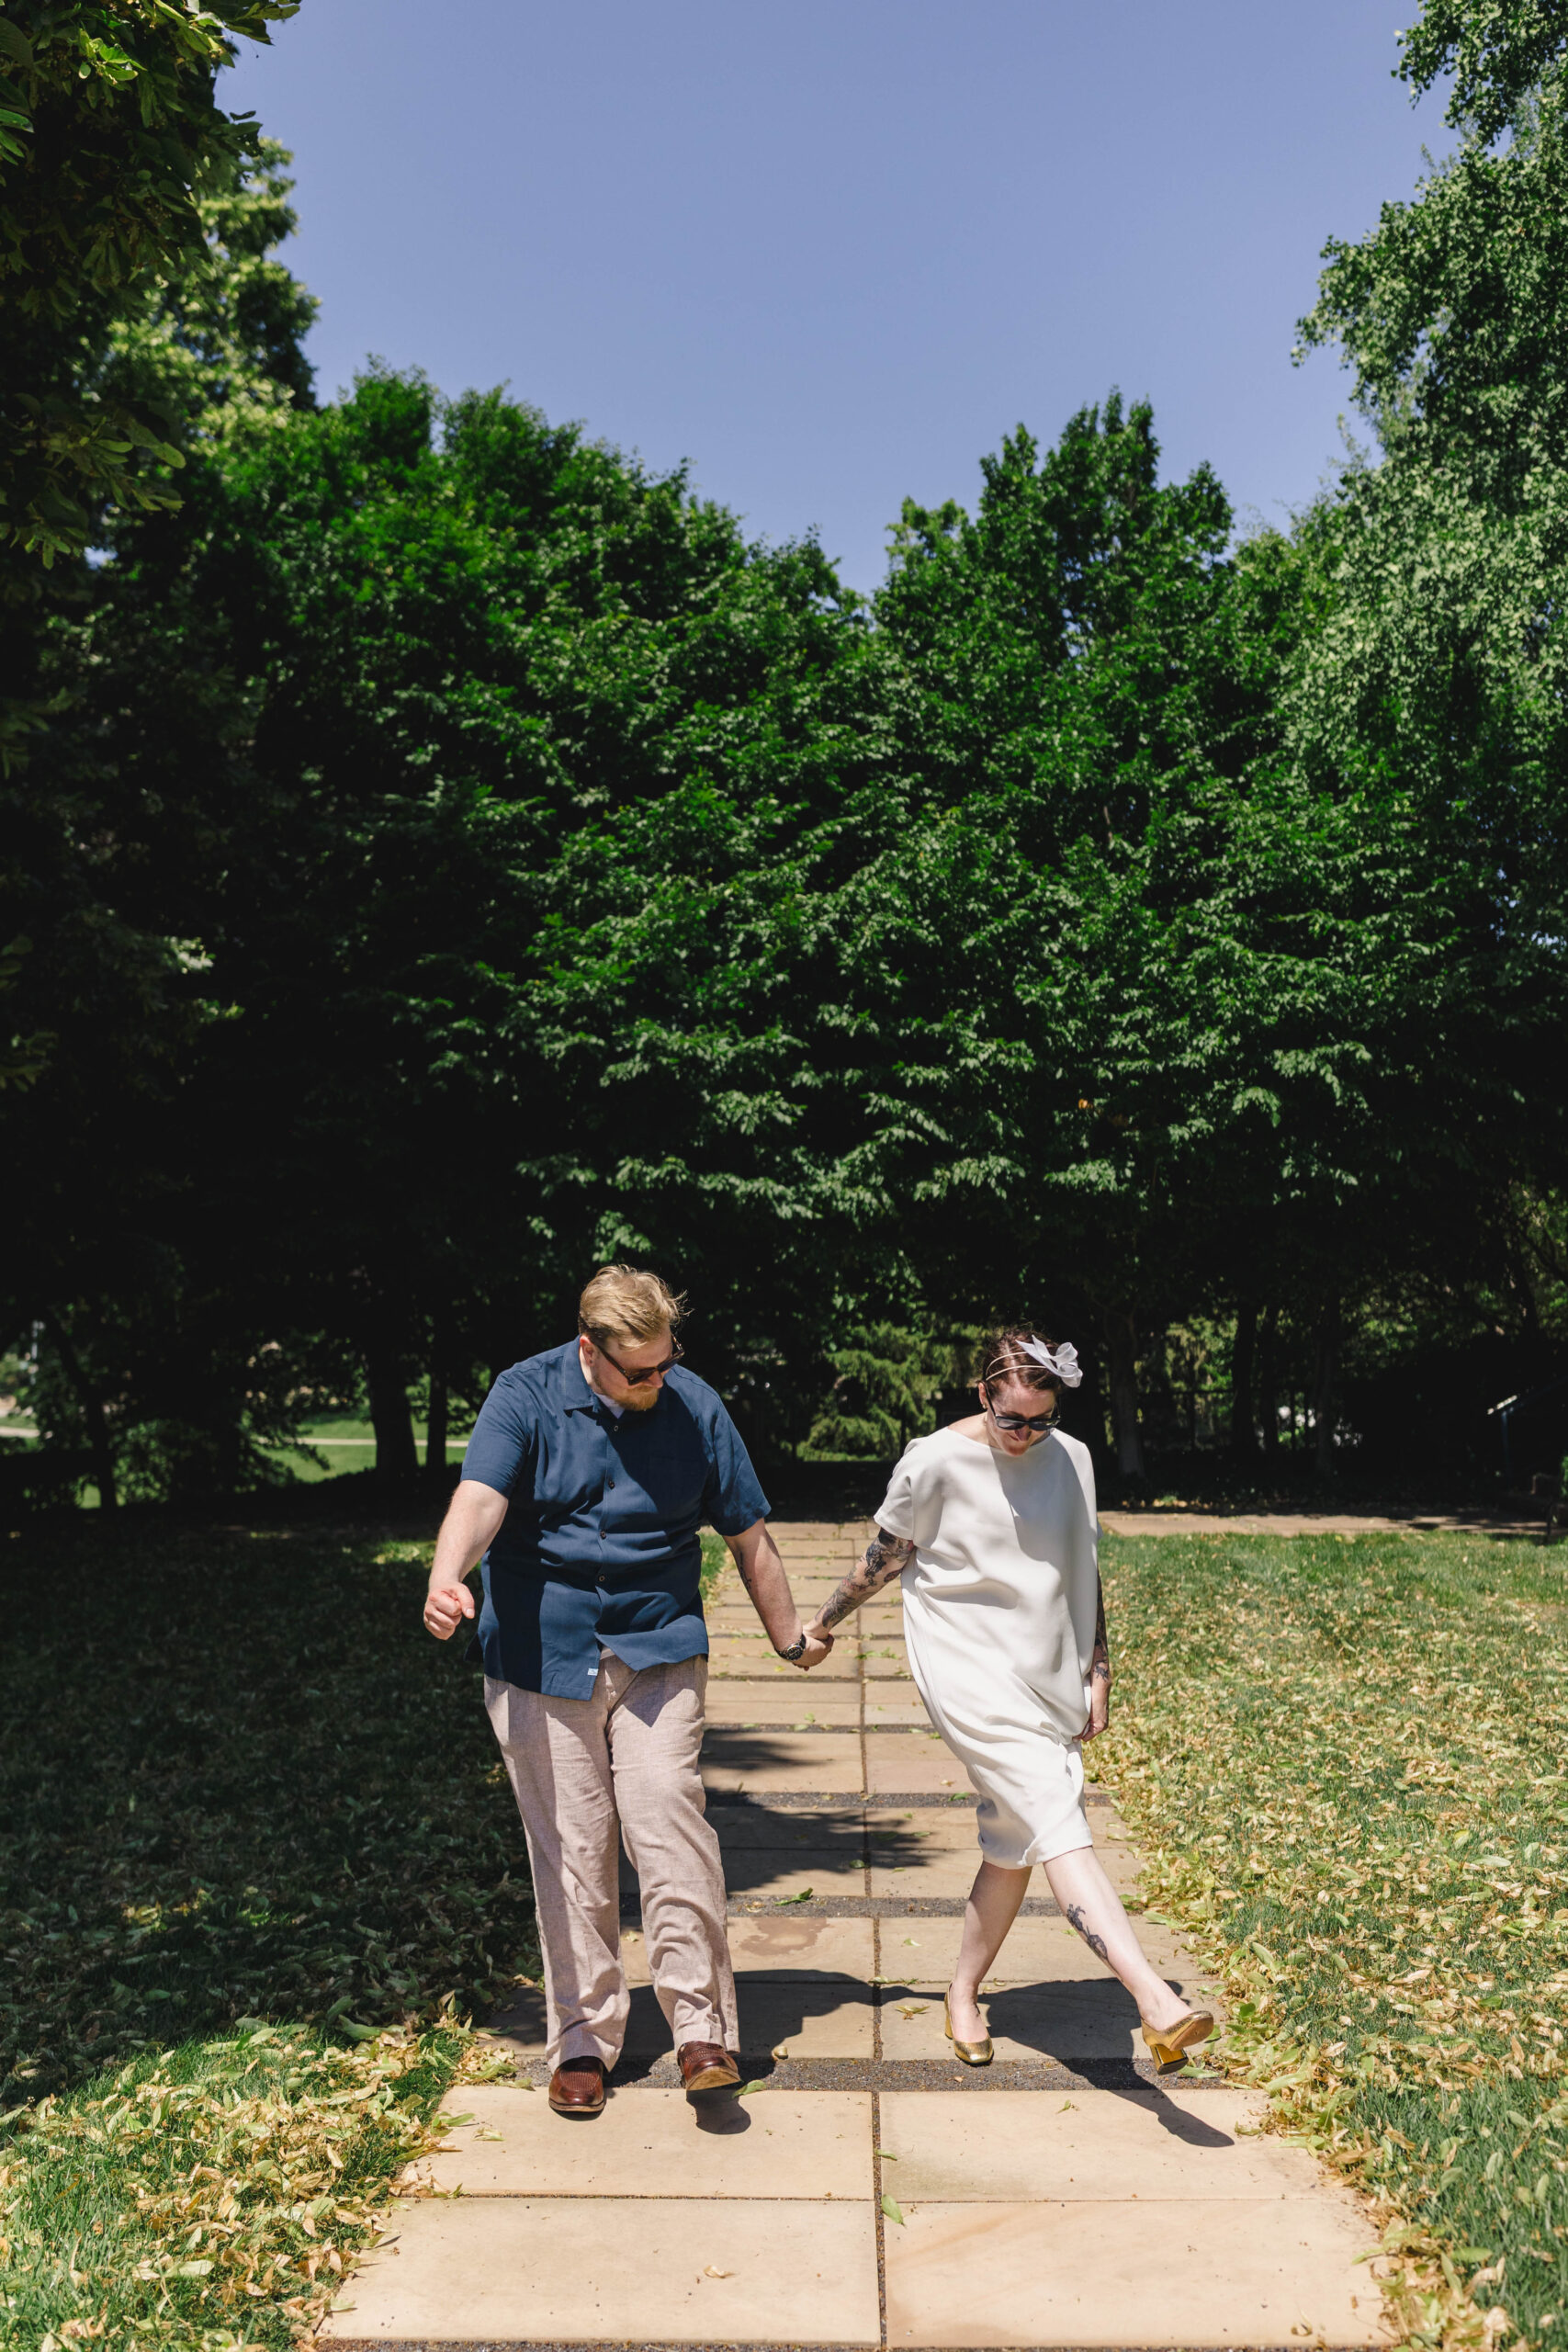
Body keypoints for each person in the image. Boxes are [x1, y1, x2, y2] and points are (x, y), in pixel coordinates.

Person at [422, 1265, 830, 2118]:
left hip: (658, 1647)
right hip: (543, 1653)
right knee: (572, 1847)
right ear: (588, 1351)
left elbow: (748, 1537)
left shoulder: (692, 1403)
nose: (656, 1380)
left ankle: (701, 2031)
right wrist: (445, 1576)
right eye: (636, 1370)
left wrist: (789, 1638)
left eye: (664, 1360)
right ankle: (581, 2036)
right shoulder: (524, 1395)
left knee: (667, 1820)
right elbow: (480, 1496)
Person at [803, 1325, 1213, 2073]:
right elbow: (883, 1560)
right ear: (981, 1394)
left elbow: (1080, 1569)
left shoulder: (1074, 1458)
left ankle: (961, 1994)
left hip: (1044, 1664)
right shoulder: (933, 1461)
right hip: (964, 1666)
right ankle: (1154, 1999)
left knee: (1013, 1841)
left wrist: (1099, 1667)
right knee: (1058, 1822)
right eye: (1010, 1417)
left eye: (1042, 1419)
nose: (1026, 1434)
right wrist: (822, 1623)